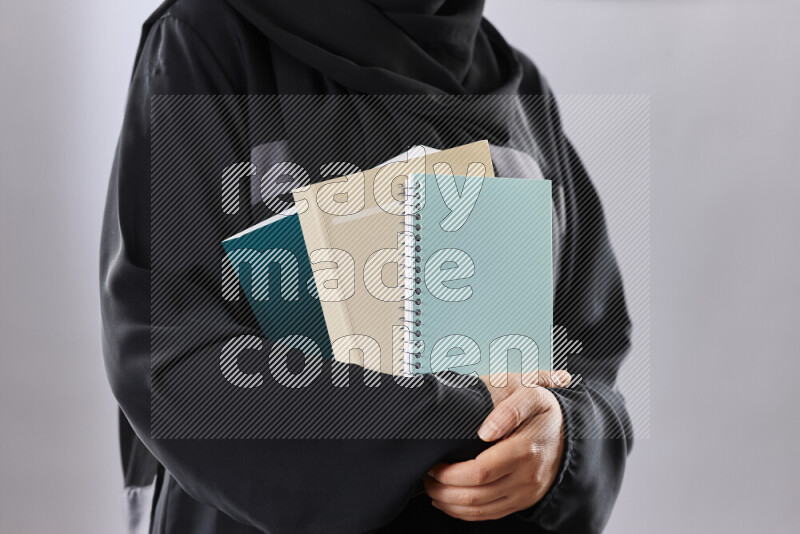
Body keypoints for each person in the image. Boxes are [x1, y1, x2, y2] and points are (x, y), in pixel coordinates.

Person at [100, 0, 632, 532]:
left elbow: (588, 350)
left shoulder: (523, 94)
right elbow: (168, 348)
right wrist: (475, 419)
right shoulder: (211, 39)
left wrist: (562, 440)